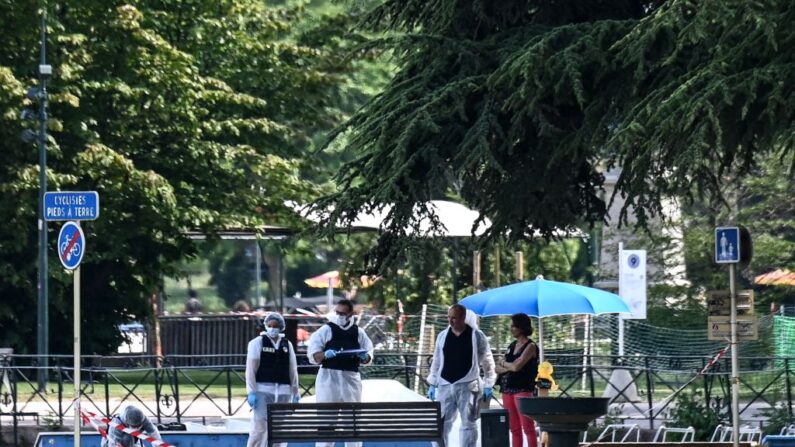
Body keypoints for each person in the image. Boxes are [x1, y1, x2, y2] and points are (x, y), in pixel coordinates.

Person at [427, 304, 496, 447]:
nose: (451, 321)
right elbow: (437, 360)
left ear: (463, 318)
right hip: (445, 385)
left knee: (468, 424)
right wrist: (433, 383)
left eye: (455, 318)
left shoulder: (476, 336)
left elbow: (487, 361)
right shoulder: (442, 336)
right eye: (449, 318)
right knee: (441, 423)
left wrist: (489, 383)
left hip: (468, 385)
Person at [307, 299, 374, 447]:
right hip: (328, 378)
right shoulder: (326, 330)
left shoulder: (358, 332)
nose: (339, 316)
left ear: (351, 314)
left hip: (351, 378)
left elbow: (369, 353)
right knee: (326, 424)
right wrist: (324, 354)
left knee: (352, 423)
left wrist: (365, 357)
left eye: (343, 313)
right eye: (337, 312)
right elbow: (313, 355)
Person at [245, 312, 299, 447]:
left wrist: (295, 392)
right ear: (265, 326)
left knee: (280, 429)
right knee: (259, 428)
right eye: (269, 325)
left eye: (275, 326)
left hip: (283, 391)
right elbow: (251, 369)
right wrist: (251, 391)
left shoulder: (287, 344)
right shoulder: (257, 343)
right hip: (263, 390)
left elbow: (292, 369)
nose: (272, 328)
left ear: (281, 327)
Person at [496, 313, 539, 447]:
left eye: (514, 326)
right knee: (514, 428)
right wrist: (508, 366)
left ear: (521, 327)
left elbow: (517, 366)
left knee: (528, 427)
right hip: (507, 388)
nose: (511, 328)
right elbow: (498, 367)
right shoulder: (512, 345)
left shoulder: (530, 346)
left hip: (523, 389)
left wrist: (505, 364)